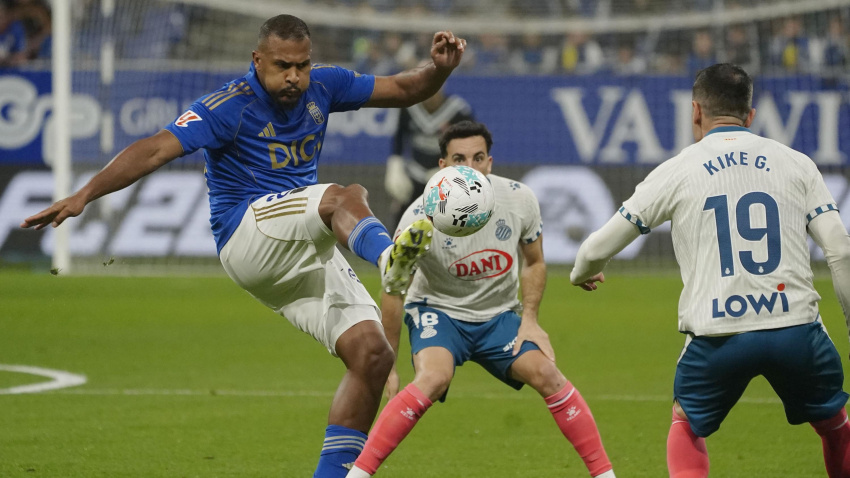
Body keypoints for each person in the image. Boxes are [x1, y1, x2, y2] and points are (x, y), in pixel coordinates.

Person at [20, 14, 466, 478]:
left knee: (373, 355)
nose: (294, 77)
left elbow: (404, 89)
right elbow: (154, 149)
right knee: (343, 196)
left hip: (301, 247)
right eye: (282, 66)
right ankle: (391, 258)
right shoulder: (227, 106)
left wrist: (439, 69)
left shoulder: (325, 85)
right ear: (257, 60)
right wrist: (83, 195)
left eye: (302, 65)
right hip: (247, 235)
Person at [570, 63, 850, 478]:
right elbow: (840, 250)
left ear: (696, 111)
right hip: (794, 328)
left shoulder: (677, 170)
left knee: (686, 424)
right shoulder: (797, 163)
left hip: (719, 334)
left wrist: (582, 272)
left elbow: (595, 248)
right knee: (834, 423)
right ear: (750, 115)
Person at [347, 121, 616, 478]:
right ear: (442, 166)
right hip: (438, 311)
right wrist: (390, 366)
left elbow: (534, 262)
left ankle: (606, 475)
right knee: (433, 378)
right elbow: (394, 288)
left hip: (498, 316)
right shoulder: (418, 218)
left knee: (548, 375)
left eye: (478, 158)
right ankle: (358, 475)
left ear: (490, 162)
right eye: (459, 159)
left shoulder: (519, 199)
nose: (470, 168)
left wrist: (530, 320)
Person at [384, 84, 473, 228]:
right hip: (415, 173)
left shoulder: (459, 110)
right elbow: (399, 136)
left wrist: (452, 169)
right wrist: (395, 167)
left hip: (445, 175)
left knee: (448, 220)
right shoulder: (409, 108)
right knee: (402, 218)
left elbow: (470, 144)